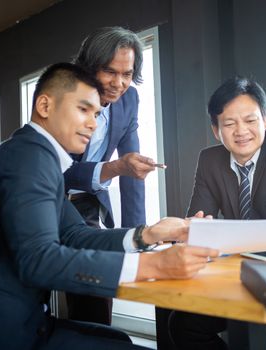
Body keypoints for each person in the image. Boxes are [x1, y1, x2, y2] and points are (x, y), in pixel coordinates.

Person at [0, 62, 219, 350]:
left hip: (30, 322)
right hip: (7, 333)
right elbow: (39, 261)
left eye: (96, 113)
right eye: (83, 109)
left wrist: (147, 234)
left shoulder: (37, 155)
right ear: (45, 106)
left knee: (117, 337)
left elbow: (75, 236)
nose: (94, 123)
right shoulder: (30, 157)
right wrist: (151, 265)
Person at [167, 76, 266, 349]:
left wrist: (222, 237)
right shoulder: (209, 160)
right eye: (229, 123)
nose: (241, 131)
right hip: (240, 272)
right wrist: (198, 227)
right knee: (183, 323)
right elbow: (198, 221)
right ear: (216, 130)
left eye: (250, 120)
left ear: (265, 120)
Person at [64, 26, 155, 325]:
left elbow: (133, 173)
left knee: (100, 272)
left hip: (89, 202)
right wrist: (115, 167)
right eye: (109, 72)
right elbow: (57, 171)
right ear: (89, 68)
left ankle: (98, 335)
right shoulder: (65, 97)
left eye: (127, 74)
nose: (119, 83)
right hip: (49, 197)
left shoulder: (129, 101)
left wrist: (137, 237)